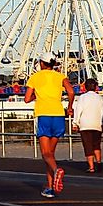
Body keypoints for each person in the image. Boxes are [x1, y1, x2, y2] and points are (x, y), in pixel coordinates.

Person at [24, 52, 74, 198]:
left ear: (41, 63)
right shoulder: (60, 76)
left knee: (46, 154)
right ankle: (50, 187)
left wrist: (36, 95)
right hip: (58, 115)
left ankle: (57, 170)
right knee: (50, 155)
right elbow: (71, 91)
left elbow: (27, 99)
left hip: (44, 115)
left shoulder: (35, 77)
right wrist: (70, 107)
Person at [72, 77, 103, 173]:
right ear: (96, 87)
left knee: (88, 146)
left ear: (85, 87)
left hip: (85, 124)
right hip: (97, 124)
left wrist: (75, 123)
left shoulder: (82, 98)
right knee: (96, 145)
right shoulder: (100, 98)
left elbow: (78, 111)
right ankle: (98, 163)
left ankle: (91, 167)